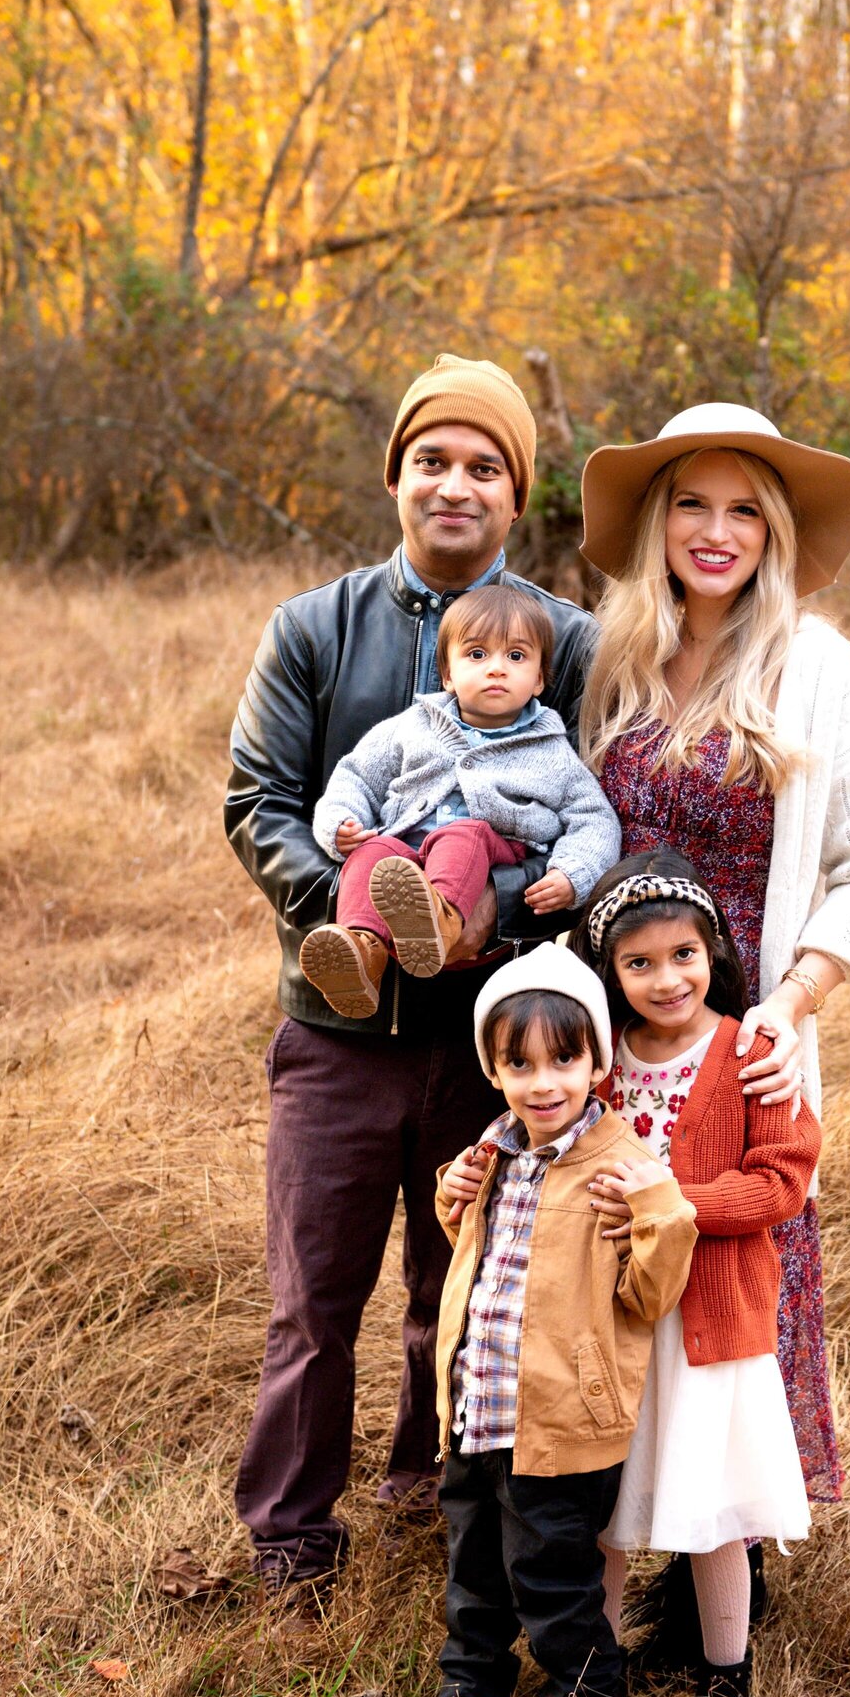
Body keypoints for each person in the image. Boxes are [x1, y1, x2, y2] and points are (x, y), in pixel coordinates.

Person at [225, 354, 597, 1614]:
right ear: (396, 475)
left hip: (494, 1037)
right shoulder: (313, 627)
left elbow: (605, 805)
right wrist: (349, 912)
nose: (455, 484)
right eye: (432, 459)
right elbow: (258, 800)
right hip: (334, 1025)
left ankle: (426, 1495)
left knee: (465, 1288)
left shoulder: (567, 639)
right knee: (312, 1297)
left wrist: (508, 904)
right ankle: (288, 1539)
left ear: (515, 494)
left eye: (484, 466)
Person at [576, 402, 850, 1653]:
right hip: (619, 1047)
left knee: (729, 1293)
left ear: (772, 531)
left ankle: (724, 1586)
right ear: (657, 522)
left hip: (744, 1041)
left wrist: (790, 999)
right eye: (690, 503)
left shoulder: (819, 668)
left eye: (742, 509)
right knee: (617, 1283)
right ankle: (600, 1559)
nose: (715, 531)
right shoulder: (608, 664)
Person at [417, 945, 697, 1697]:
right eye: (520, 1063)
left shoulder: (622, 1166)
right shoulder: (492, 1152)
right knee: (473, 1570)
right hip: (477, 1409)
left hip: (562, 1419)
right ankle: (469, 1695)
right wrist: (450, 1195)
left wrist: (653, 1207)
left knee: (554, 1580)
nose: (544, 1083)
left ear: (596, 1060)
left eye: (564, 1059)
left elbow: (652, 1292)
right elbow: (483, 1261)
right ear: (494, 1069)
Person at [575, 851, 820, 1697]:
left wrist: (677, 1202)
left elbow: (782, 1181)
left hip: (713, 1325)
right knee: (604, 1508)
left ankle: (724, 1688)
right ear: (612, 972)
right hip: (618, 1320)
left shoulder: (752, 1053)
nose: (666, 977)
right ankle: (591, 1681)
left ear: (713, 947)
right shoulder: (602, 1064)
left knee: (716, 1512)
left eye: (683, 954)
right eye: (639, 963)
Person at [299, 585, 620, 1016]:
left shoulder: (550, 751)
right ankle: (363, 952)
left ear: (540, 679)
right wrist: (340, 821)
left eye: (517, 657)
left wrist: (572, 873)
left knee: (462, 834)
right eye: (477, 654)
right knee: (373, 851)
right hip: (407, 859)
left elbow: (594, 819)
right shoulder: (412, 726)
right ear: (447, 674)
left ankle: (439, 919)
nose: (496, 670)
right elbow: (357, 774)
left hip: (487, 863)